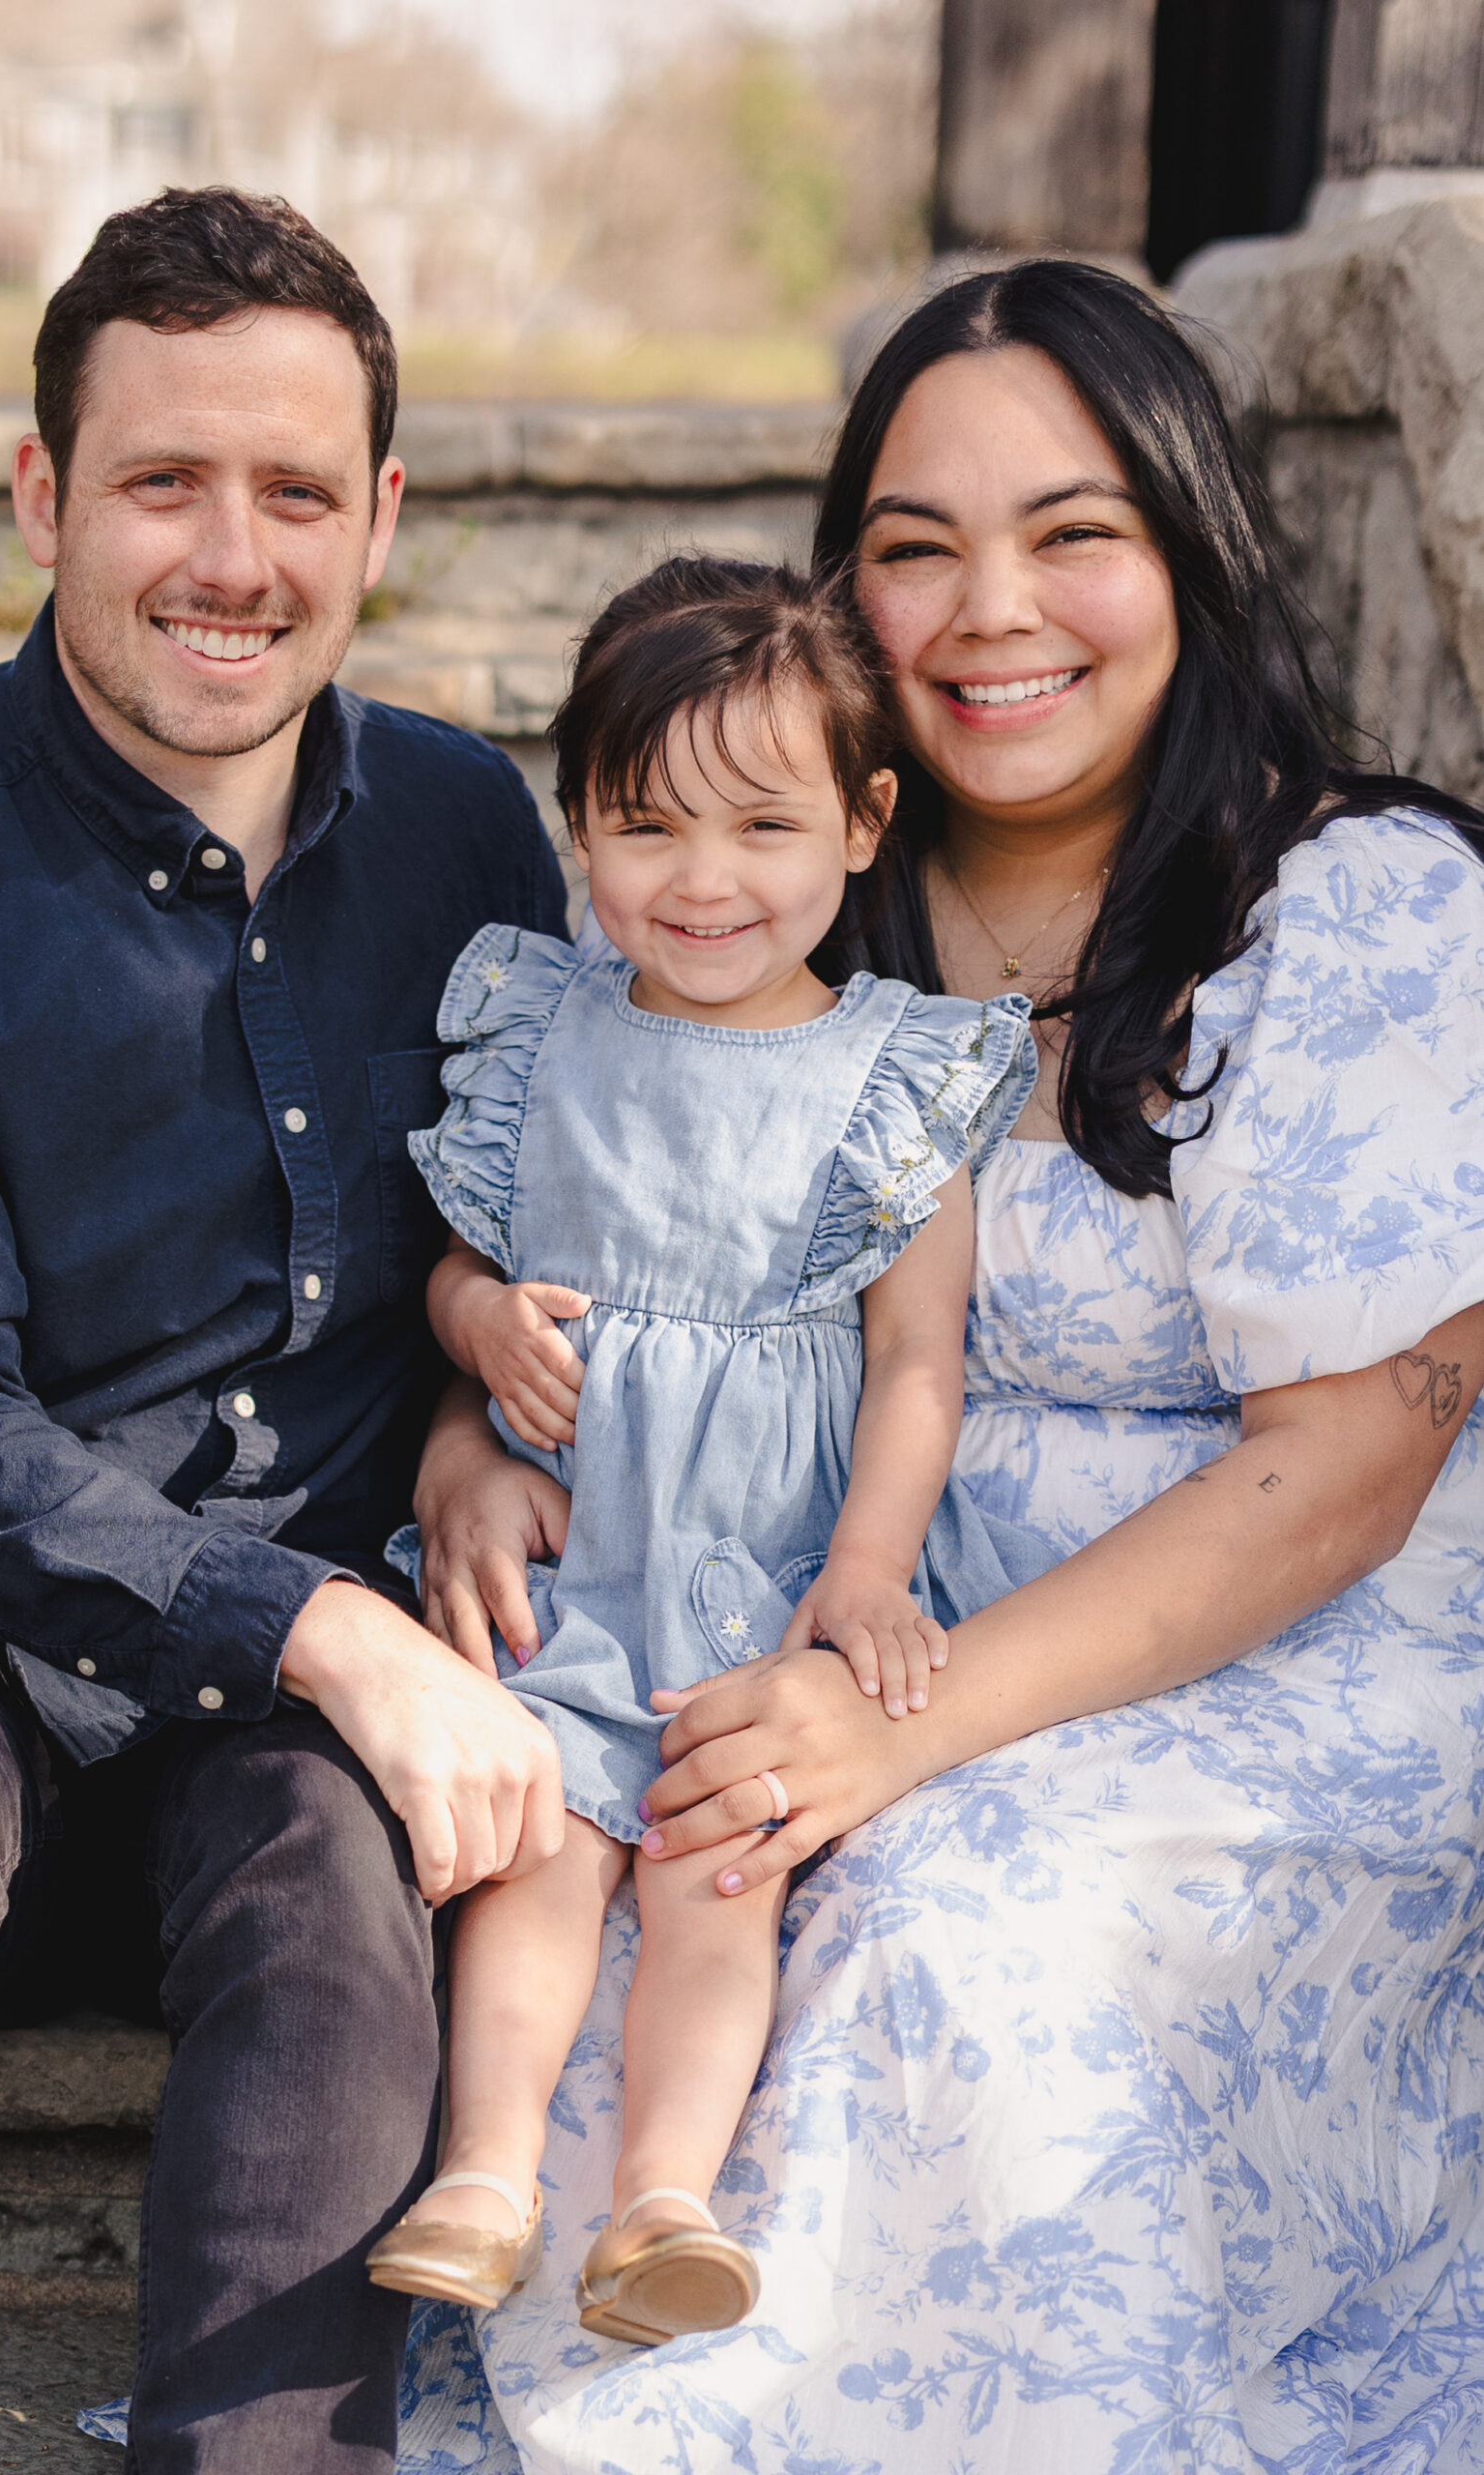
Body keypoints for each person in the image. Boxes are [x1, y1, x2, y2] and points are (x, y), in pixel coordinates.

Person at [399, 260, 1484, 2471]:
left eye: (1070, 530)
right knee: (602, 1830)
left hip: (1265, 1654)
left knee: (941, 1924)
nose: (991, 607)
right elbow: (604, 1232)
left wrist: (878, 1736)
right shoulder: (781, 899)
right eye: (912, 547)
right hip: (786, 1595)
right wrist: (464, 1433)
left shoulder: (1349, 905)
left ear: (1188, 543)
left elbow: (1349, 1467)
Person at [0, 187, 567, 2475]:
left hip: (293, 1683)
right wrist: (335, 1635)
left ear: (383, 517)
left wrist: (466, 1408)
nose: (227, 554)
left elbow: (530, 1195)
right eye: (161, 480)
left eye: (291, 490)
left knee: (353, 1897)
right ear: (42, 491)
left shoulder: (465, 826)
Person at [363, 558, 1046, 2345]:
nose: (706, 878)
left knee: (714, 1876)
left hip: (761, 1573)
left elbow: (916, 1366)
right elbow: (465, 1258)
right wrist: (475, 1336)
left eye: (763, 822)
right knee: (539, 1858)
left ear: (864, 822)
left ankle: (663, 2198)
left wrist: (868, 1570)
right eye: (646, 823)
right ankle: (488, 2174)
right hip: (583, 1558)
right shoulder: (545, 1030)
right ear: (578, 817)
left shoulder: (898, 1077)